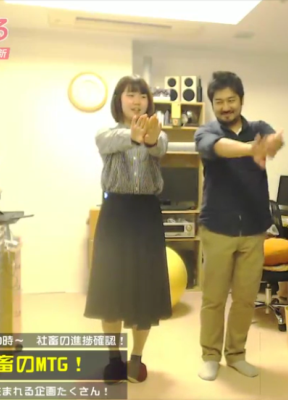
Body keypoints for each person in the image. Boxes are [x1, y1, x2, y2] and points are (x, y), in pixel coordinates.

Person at [194, 71, 285, 381]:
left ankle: (236, 355)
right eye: (219, 102)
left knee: (245, 299)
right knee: (214, 299)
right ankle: (210, 356)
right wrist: (250, 150)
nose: (226, 106)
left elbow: (271, 142)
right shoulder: (206, 132)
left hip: (254, 229)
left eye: (231, 100)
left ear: (241, 100)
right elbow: (219, 147)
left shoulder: (258, 128)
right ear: (212, 104)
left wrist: (272, 143)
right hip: (218, 227)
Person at [84, 75, 172, 384]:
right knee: (111, 287)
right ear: (119, 100)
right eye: (130, 95)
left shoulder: (159, 134)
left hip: (146, 214)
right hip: (116, 213)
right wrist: (134, 137)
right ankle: (114, 360)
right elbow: (109, 142)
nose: (137, 101)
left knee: (144, 291)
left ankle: (136, 358)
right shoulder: (106, 133)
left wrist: (149, 139)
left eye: (143, 96)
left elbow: (159, 147)